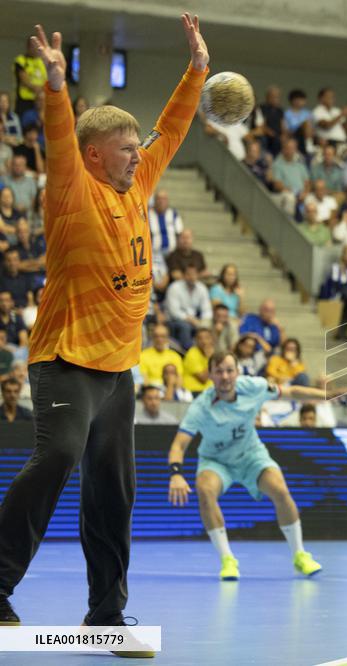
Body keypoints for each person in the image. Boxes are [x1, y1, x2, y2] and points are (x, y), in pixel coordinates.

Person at [0, 17, 208, 654]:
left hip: (119, 369)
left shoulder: (138, 182)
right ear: (95, 155)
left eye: (135, 145)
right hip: (65, 360)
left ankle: (106, 615)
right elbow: (59, 141)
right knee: (59, 456)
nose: (137, 153)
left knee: (115, 486)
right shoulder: (70, 192)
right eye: (124, 146)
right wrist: (56, 88)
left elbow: (171, 128)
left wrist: (197, 70)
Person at [167, 351, 332, 580]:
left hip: (251, 455)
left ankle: (300, 555)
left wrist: (327, 394)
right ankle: (228, 559)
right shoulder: (200, 407)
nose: (225, 376)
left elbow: (291, 392)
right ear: (211, 376)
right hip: (216, 460)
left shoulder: (254, 387)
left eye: (229, 370)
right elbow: (179, 445)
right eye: (219, 371)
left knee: (280, 489)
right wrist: (176, 474)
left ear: (237, 372)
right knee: (205, 490)